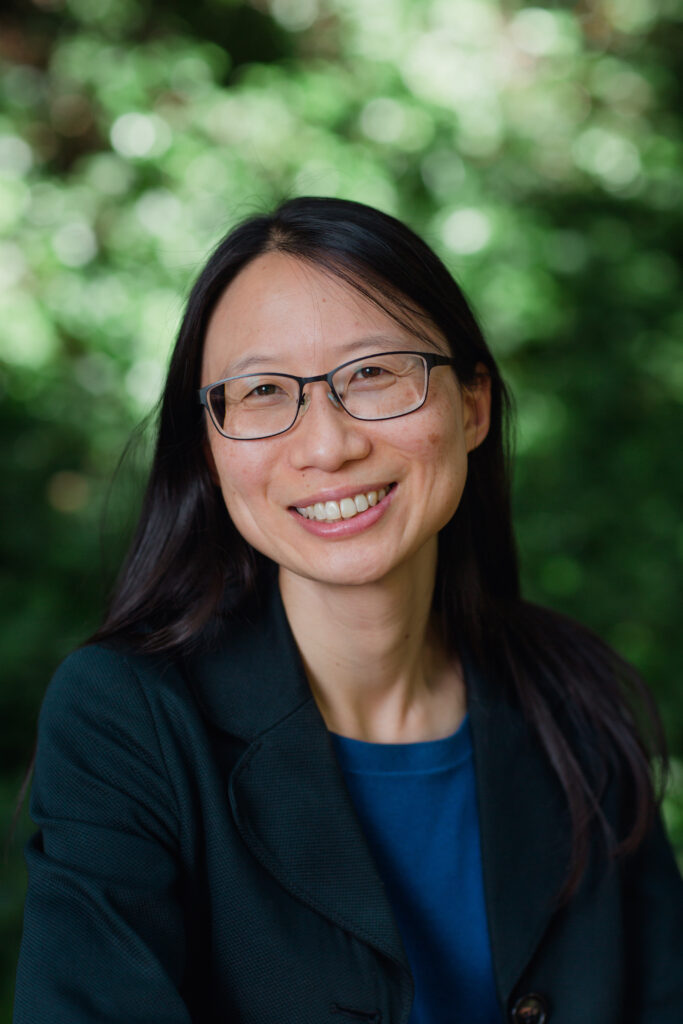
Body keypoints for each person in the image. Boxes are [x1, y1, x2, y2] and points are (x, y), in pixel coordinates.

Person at [13, 196, 683, 1024]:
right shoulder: (129, 720)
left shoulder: (573, 699)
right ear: (209, 447)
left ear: (471, 406)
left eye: (371, 374)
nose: (327, 445)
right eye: (260, 391)